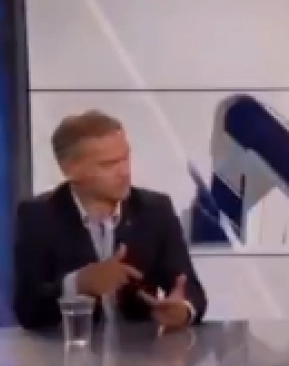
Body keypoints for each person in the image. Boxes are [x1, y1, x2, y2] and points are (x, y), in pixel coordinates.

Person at [13, 110, 207, 331]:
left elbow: (191, 291)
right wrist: (78, 284)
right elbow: (27, 310)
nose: (124, 172)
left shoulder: (154, 210)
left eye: (125, 158)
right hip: (68, 349)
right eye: (108, 164)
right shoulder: (38, 216)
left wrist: (183, 310)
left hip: (140, 351)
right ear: (70, 170)